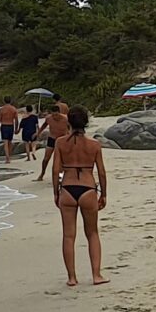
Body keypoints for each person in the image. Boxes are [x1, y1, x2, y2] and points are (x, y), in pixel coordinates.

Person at [50, 105, 109, 286]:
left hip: (67, 189)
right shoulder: (94, 145)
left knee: (68, 236)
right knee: (92, 233)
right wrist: (104, 194)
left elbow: (55, 170)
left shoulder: (60, 143)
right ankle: (96, 275)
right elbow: (102, 172)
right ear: (86, 123)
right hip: (88, 188)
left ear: (69, 122)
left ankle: (72, 277)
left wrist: (56, 192)